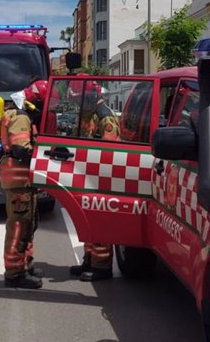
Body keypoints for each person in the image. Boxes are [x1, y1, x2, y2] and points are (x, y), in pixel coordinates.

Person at [0, 80, 49, 289]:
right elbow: (20, 149)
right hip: (18, 179)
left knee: (28, 223)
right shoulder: (21, 117)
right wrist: (43, 152)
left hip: (23, 180)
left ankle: (25, 263)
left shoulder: (18, 113)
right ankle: (14, 273)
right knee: (19, 225)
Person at [67, 77, 121, 282]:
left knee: (100, 221)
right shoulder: (87, 114)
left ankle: (102, 266)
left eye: (79, 98)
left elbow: (110, 153)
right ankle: (89, 260)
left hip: (100, 178)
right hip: (86, 177)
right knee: (88, 222)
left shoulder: (104, 117)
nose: (76, 102)